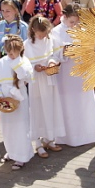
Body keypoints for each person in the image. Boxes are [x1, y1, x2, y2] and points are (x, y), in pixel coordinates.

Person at [52, 4, 95, 147]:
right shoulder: (56, 32)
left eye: (77, 22)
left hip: (82, 71)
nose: (74, 25)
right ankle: (68, 136)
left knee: (83, 101)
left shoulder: (83, 29)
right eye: (72, 22)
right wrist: (65, 51)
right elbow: (53, 53)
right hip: (65, 74)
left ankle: (87, 134)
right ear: (64, 17)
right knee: (67, 103)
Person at [0, 35, 34, 170]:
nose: (11, 55)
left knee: (21, 127)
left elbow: (24, 77)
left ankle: (21, 156)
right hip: (5, 100)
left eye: (13, 53)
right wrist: (0, 96)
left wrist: (17, 63)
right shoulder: (1, 63)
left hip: (19, 98)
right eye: (9, 53)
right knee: (8, 128)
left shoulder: (24, 62)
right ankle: (11, 151)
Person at [24, 15, 65, 159]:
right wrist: (35, 67)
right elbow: (24, 64)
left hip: (49, 78)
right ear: (34, 30)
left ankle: (50, 139)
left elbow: (55, 54)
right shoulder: (27, 45)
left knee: (51, 107)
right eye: (42, 33)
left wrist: (53, 62)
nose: (44, 35)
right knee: (37, 109)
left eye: (46, 32)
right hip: (36, 82)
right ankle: (38, 143)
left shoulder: (50, 40)